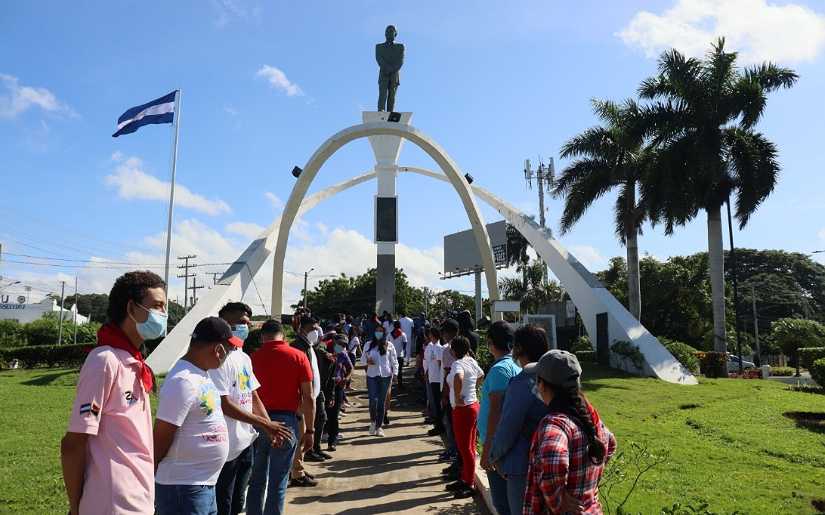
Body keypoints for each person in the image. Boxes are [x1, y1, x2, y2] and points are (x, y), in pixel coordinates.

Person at [61, 271, 166, 515]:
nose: (163, 314)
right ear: (131, 308)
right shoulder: (104, 361)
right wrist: (75, 507)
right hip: (112, 502)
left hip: (140, 496)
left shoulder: (134, 360)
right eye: (157, 306)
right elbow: (73, 443)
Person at [211, 303, 291, 515]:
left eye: (247, 323)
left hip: (245, 444)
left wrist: (269, 427)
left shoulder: (243, 357)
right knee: (223, 503)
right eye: (240, 322)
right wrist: (266, 424)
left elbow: (253, 395)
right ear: (224, 323)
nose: (244, 327)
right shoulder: (216, 358)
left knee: (238, 502)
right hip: (224, 448)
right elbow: (224, 404)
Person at [153, 317, 235, 515]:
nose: (229, 356)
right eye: (229, 350)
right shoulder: (183, 380)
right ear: (218, 350)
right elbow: (162, 434)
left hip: (201, 485)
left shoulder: (200, 374)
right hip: (183, 486)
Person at [524, 350, 617, 514]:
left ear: (543, 385)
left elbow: (553, 455)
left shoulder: (555, 424)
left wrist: (557, 499)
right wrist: (589, 481)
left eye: (537, 380)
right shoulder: (591, 420)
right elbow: (610, 443)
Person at [247, 320, 315, 515]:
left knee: (256, 479)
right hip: (287, 424)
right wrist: (310, 430)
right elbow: (309, 397)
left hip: (258, 422)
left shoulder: (252, 359)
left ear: (262, 337)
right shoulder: (298, 356)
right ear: (283, 335)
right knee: (278, 481)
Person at [489, 324, 551, 515]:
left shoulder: (522, 382)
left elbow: (508, 427)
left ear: (519, 348)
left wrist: (493, 455)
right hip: (554, 462)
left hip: (523, 466)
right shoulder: (556, 377)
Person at [477, 321, 522, 515]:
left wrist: (487, 450)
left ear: (491, 343)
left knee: (502, 503)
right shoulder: (513, 366)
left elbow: (496, 412)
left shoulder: (499, 370)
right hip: (505, 444)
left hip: (497, 448)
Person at [445, 336, 484, 498]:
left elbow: (458, 378)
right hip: (473, 406)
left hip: (463, 409)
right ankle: (465, 477)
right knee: (469, 446)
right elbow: (481, 375)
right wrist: (472, 389)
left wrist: (458, 397)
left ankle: (469, 483)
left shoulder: (458, 364)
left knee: (465, 448)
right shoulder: (471, 361)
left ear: (454, 351)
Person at [288, 315, 321, 486]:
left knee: (302, 440)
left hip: (309, 397)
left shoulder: (308, 345)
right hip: (301, 400)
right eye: (313, 329)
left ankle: (298, 468)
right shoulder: (298, 347)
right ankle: (296, 474)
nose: (316, 332)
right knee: (300, 438)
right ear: (302, 329)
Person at [361, 324, 398, 436]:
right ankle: (373, 422)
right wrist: (367, 361)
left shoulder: (389, 345)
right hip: (372, 375)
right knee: (373, 401)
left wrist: (395, 374)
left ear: (384, 333)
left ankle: (379, 426)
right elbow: (362, 360)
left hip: (385, 376)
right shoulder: (368, 345)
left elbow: (394, 361)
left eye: (381, 331)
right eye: (377, 331)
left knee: (381, 402)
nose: (378, 333)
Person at [439, 319, 460, 470]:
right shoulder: (464, 346)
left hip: (451, 392)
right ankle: (456, 452)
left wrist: (444, 395)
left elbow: (447, 373)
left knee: (450, 423)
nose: (443, 335)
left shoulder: (448, 350)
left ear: (450, 333)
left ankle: (453, 451)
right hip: (463, 395)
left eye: (444, 332)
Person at [327, 335, 353, 451]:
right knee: (324, 414)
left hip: (338, 387)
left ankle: (332, 441)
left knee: (334, 414)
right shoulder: (325, 352)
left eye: (343, 345)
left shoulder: (343, 354)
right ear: (334, 342)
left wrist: (346, 379)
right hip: (325, 387)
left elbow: (350, 368)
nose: (341, 346)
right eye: (339, 344)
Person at [424, 327, 444, 436]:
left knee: (437, 403)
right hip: (432, 378)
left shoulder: (439, 348)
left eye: (430, 335)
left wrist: (441, 379)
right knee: (435, 402)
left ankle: (439, 426)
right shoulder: (431, 346)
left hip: (437, 379)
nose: (429, 336)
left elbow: (440, 364)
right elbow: (428, 361)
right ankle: (438, 424)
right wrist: (426, 373)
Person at [388, 320, 408, 388]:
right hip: (400, 355)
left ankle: (389, 385)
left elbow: (387, 343)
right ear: (400, 326)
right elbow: (405, 344)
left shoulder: (390, 334)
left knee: (390, 370)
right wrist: (404, 351)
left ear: (394, 326)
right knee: (399, 370)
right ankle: (400, 385)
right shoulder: (403, 334)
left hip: (391, 355)